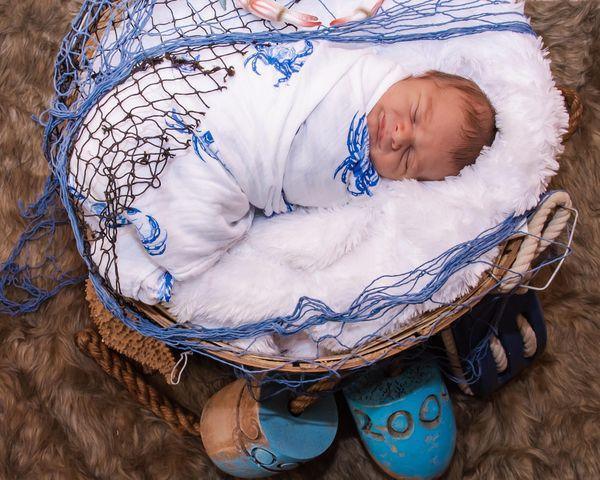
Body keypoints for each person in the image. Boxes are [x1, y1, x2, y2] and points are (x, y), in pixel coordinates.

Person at [71, 41, 496, 304]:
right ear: (416, 76)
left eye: (409, 160)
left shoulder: (366, 187)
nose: (401, 135)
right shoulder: (363, 68)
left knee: (194, 229)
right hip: (235, 92)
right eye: (417, 111)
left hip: (234, 169)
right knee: (173, 92)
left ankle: (126, 243)